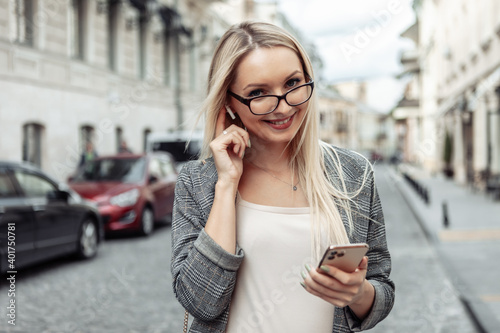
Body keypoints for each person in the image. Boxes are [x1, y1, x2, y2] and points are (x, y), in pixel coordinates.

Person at [171, 21, 394, 333]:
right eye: (259, 92)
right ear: (228, 102)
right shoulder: (198, 181)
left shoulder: (352, 173)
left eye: (292, 84)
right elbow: (200, 303)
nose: (283, 105)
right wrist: (226, 185)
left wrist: (357, 293)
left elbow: (381, 290)